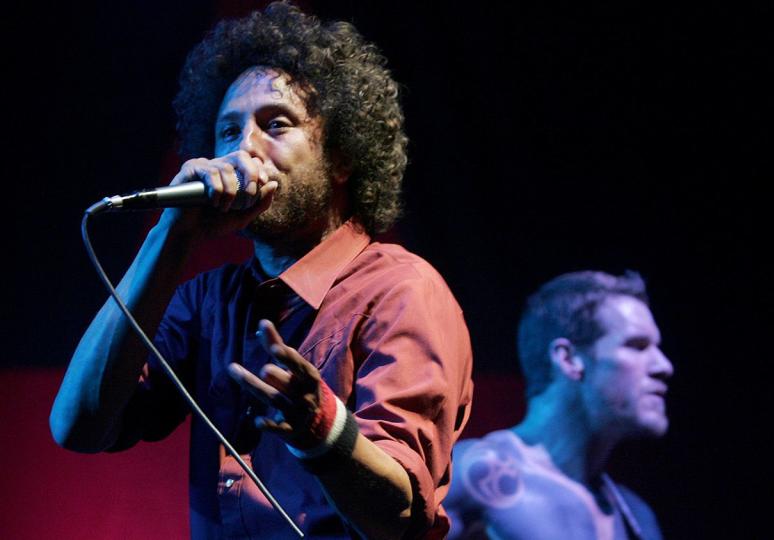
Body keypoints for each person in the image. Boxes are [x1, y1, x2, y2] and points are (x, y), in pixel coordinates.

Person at [49, 3, 473, 539]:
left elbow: (400, 518)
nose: (243, 149)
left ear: (341, 157)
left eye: (275, 124)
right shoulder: (207, 300)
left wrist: (323, 429)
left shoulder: (401, 291)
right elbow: (79, 426)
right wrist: (169, 236)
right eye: (227, 132)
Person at [445, 271, 672, 539]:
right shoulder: (476, 473)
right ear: (568, 359)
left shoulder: (637, 515)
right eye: (637, 345)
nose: (664, 366)